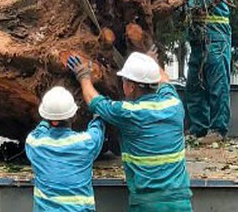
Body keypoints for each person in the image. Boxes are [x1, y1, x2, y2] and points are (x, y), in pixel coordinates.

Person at [67, 52, 192, 212]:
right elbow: (164, 79)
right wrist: (149, 63)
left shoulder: (128, 113)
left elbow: (94, 100)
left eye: (124, 81)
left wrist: (83, 76)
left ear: (131, 87)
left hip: (147, 204)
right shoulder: (173, 104)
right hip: (181, 202)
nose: (122, 84)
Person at [25, 86, 105, 211]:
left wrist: (49, 116)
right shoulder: (86, 143)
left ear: (44, 116)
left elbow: (40, 129)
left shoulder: (34, 143)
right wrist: (97, 113)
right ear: (73, 116)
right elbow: (97, 127)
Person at [184, 0, 231, 144]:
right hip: (198, 42)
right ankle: (199, 130)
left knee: (217, 86)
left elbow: (198, 4)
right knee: (194, 86)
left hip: (216, 40)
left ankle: (219, 130)